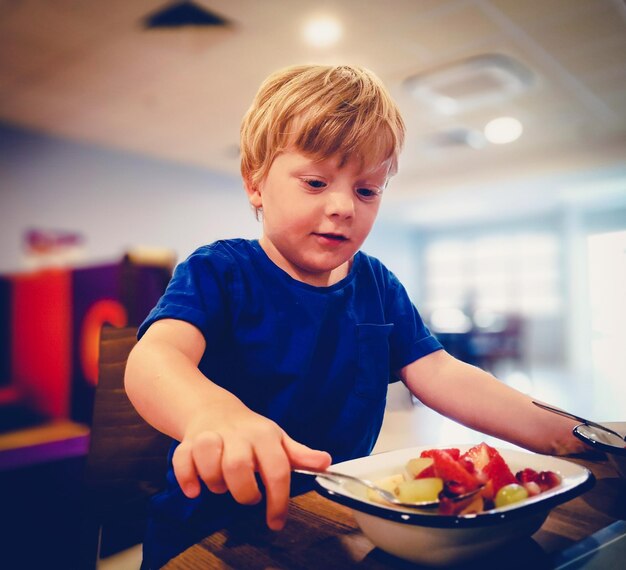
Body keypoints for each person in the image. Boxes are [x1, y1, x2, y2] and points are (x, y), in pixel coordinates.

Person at [125, 64, 587, 568]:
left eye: (367, 190)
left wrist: (567, 432)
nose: (345, 205)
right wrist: (213, 414)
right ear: (255, 182)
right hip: (212, 536)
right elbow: (155, 358)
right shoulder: (219, 270)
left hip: (334, 524)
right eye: (317, 182)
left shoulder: (376, 284)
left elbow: (441, 373)